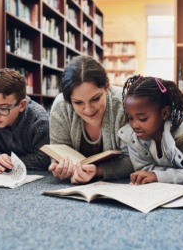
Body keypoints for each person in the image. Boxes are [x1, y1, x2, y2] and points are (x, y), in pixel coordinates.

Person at [49, 55, 133, 184]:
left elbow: (133, 158)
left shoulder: (124, 104)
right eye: (78, 103)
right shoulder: (61, 107)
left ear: (106, 87)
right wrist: (60, 166)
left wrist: (98, 170)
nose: (88, 110)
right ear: (69, 101)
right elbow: (57, 152)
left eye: (95, 99)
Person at [118, 75, 183, 185]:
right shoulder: (132, 137)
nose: (134, 125)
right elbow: (143, 169)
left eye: (142, 119)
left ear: (164, 113)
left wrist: (157, 176)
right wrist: (154, 176)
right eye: (130, 118)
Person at [0, 68, 50, 172]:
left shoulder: (39, 120)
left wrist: (10, 162)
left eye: (3, 108)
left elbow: (43, 159)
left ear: (22, 105)